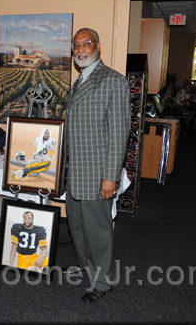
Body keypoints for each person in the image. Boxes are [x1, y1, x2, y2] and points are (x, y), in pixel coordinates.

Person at [63, 28, 130, 303]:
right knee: (77, 226)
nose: (81, 49)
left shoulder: (113, 80)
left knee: (98, 230)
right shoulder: (78, 81)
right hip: (74, 172)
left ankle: (102, 281)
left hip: (97, 173)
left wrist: (110, 177)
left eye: (86, 44)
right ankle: (85, 267)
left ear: (98, 47)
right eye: (76, 45)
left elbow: (119, 132)